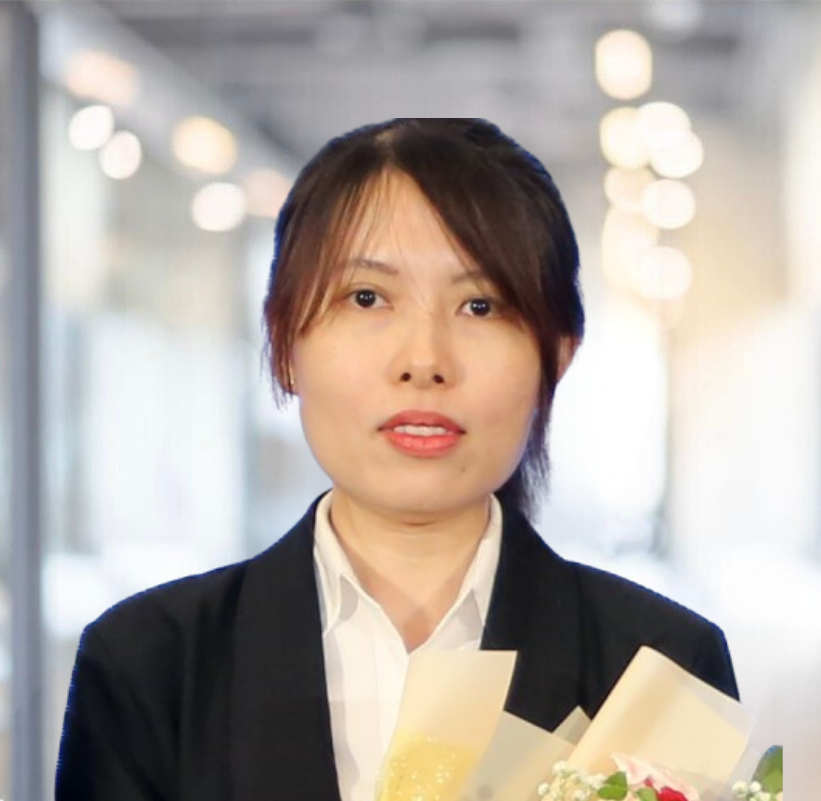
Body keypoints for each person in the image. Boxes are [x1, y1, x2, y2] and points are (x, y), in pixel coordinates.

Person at [56, 118, 738, 801]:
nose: (423, 360)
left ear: (555, 356)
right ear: (285, 342)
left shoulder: (662, 665)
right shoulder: (149, 664)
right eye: (367, 298)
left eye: (480, 305)